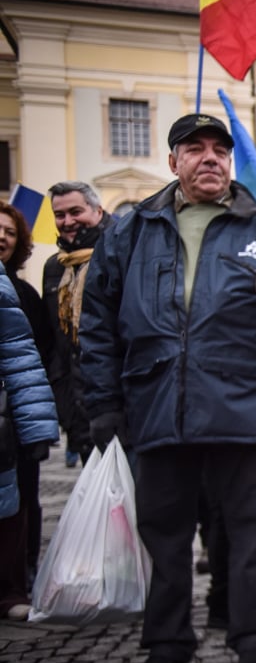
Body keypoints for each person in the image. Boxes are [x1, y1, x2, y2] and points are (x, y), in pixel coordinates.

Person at [80, 113, 256, 663]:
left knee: (249, 532)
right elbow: (98, 323)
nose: (210, 157)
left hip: (246, 407)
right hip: (157, 404)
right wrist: (104, 403)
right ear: (173, 161)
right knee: (162, 534)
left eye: (220, 149)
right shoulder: (130, 231)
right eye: (195, 148)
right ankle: (168, 644)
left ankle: (254, 640)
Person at [0, 206, 57, 621]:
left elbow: (26, 358)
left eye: (8, 231)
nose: (1, 237)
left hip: (8, 419)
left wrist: (37, 425)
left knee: (15, 504)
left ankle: (13, 587)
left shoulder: (20, 294)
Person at [43, 181, 111, 468]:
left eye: (75, 212)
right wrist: (65, 407)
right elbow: (53, 341)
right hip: (78, 408)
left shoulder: (119, 252)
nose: (68, 221)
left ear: (98, 211)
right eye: (60, 215)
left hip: (119, 403)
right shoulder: (54, 267)